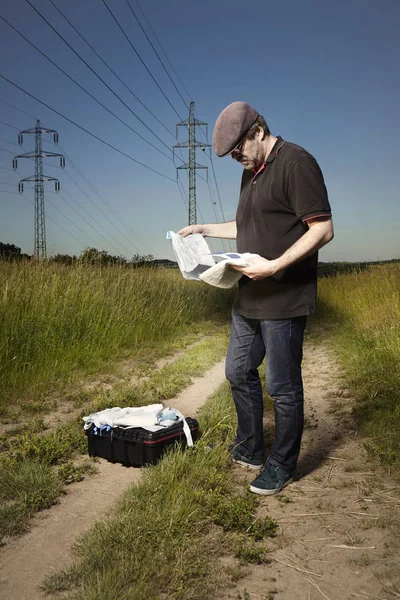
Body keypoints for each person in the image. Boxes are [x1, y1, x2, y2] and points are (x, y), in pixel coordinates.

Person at [178, 101, 333, 495]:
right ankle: (250, 448)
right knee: (237, 371)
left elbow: (322, 229)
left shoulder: (297, 163)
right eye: (232, 156)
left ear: (258, 132)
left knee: (282, 386)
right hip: (248, 297)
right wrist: (204, 229)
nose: (237, 159)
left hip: (283, 296)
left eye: (239, 151)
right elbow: (246, 222)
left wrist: (275, 264)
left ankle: (282, 464)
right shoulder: (252, 171)